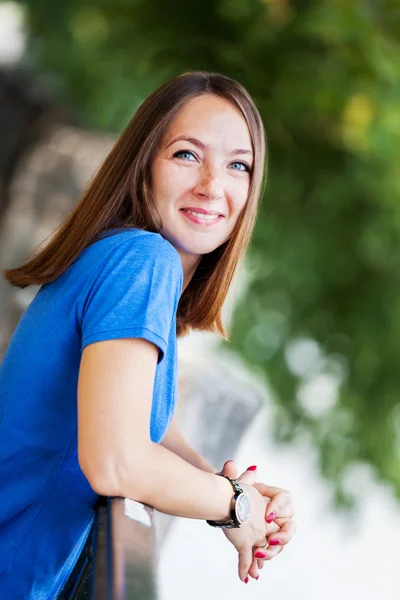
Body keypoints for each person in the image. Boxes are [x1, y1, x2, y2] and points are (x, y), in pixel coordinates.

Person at [0, 71, 295, 598]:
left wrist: (234, 492)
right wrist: (234, 507)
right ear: (143, 169)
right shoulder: (143, 260)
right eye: (186, 155)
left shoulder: (120, 259)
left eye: (238, 165)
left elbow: (145, 428)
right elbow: (117, 460)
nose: (212, 185)